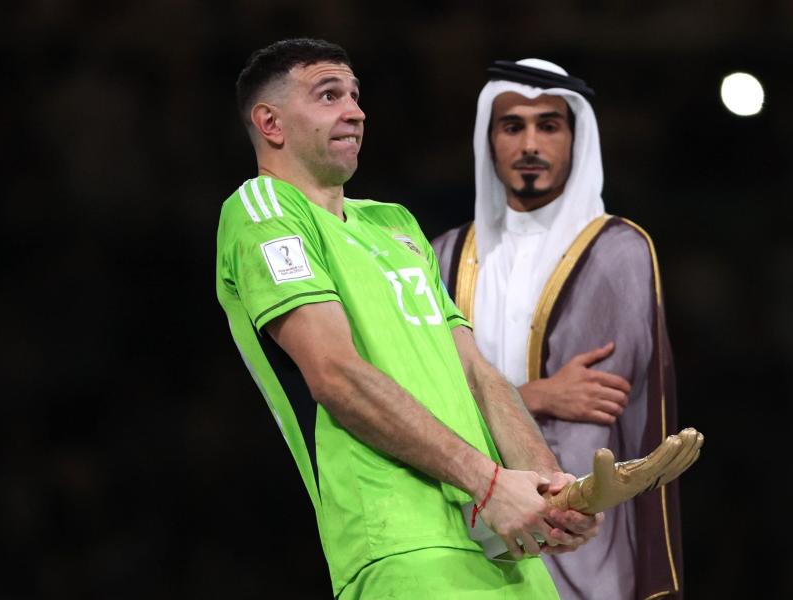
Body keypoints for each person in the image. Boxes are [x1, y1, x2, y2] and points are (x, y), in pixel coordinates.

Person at [215, 39, 602, 599]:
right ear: (270, 123)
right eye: (329, 95)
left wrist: (548, 488)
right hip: (400, 545)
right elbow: (335, 375)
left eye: (355, 95)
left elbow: (478, 374)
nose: (355, 110)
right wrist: (491, 482)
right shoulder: (262, 211)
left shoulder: (394, 223)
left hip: (503, 543)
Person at [432, 59, 684, 600]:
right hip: (467, 530)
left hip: (582, 537)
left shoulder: (618, 251)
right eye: (512, 126)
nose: (529, 144)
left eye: (548, 125)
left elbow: (591, 414)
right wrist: (540, 393)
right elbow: (424, 405)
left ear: (576, 138)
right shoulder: (443, 255)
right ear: (488, 138)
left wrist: (495, 408)